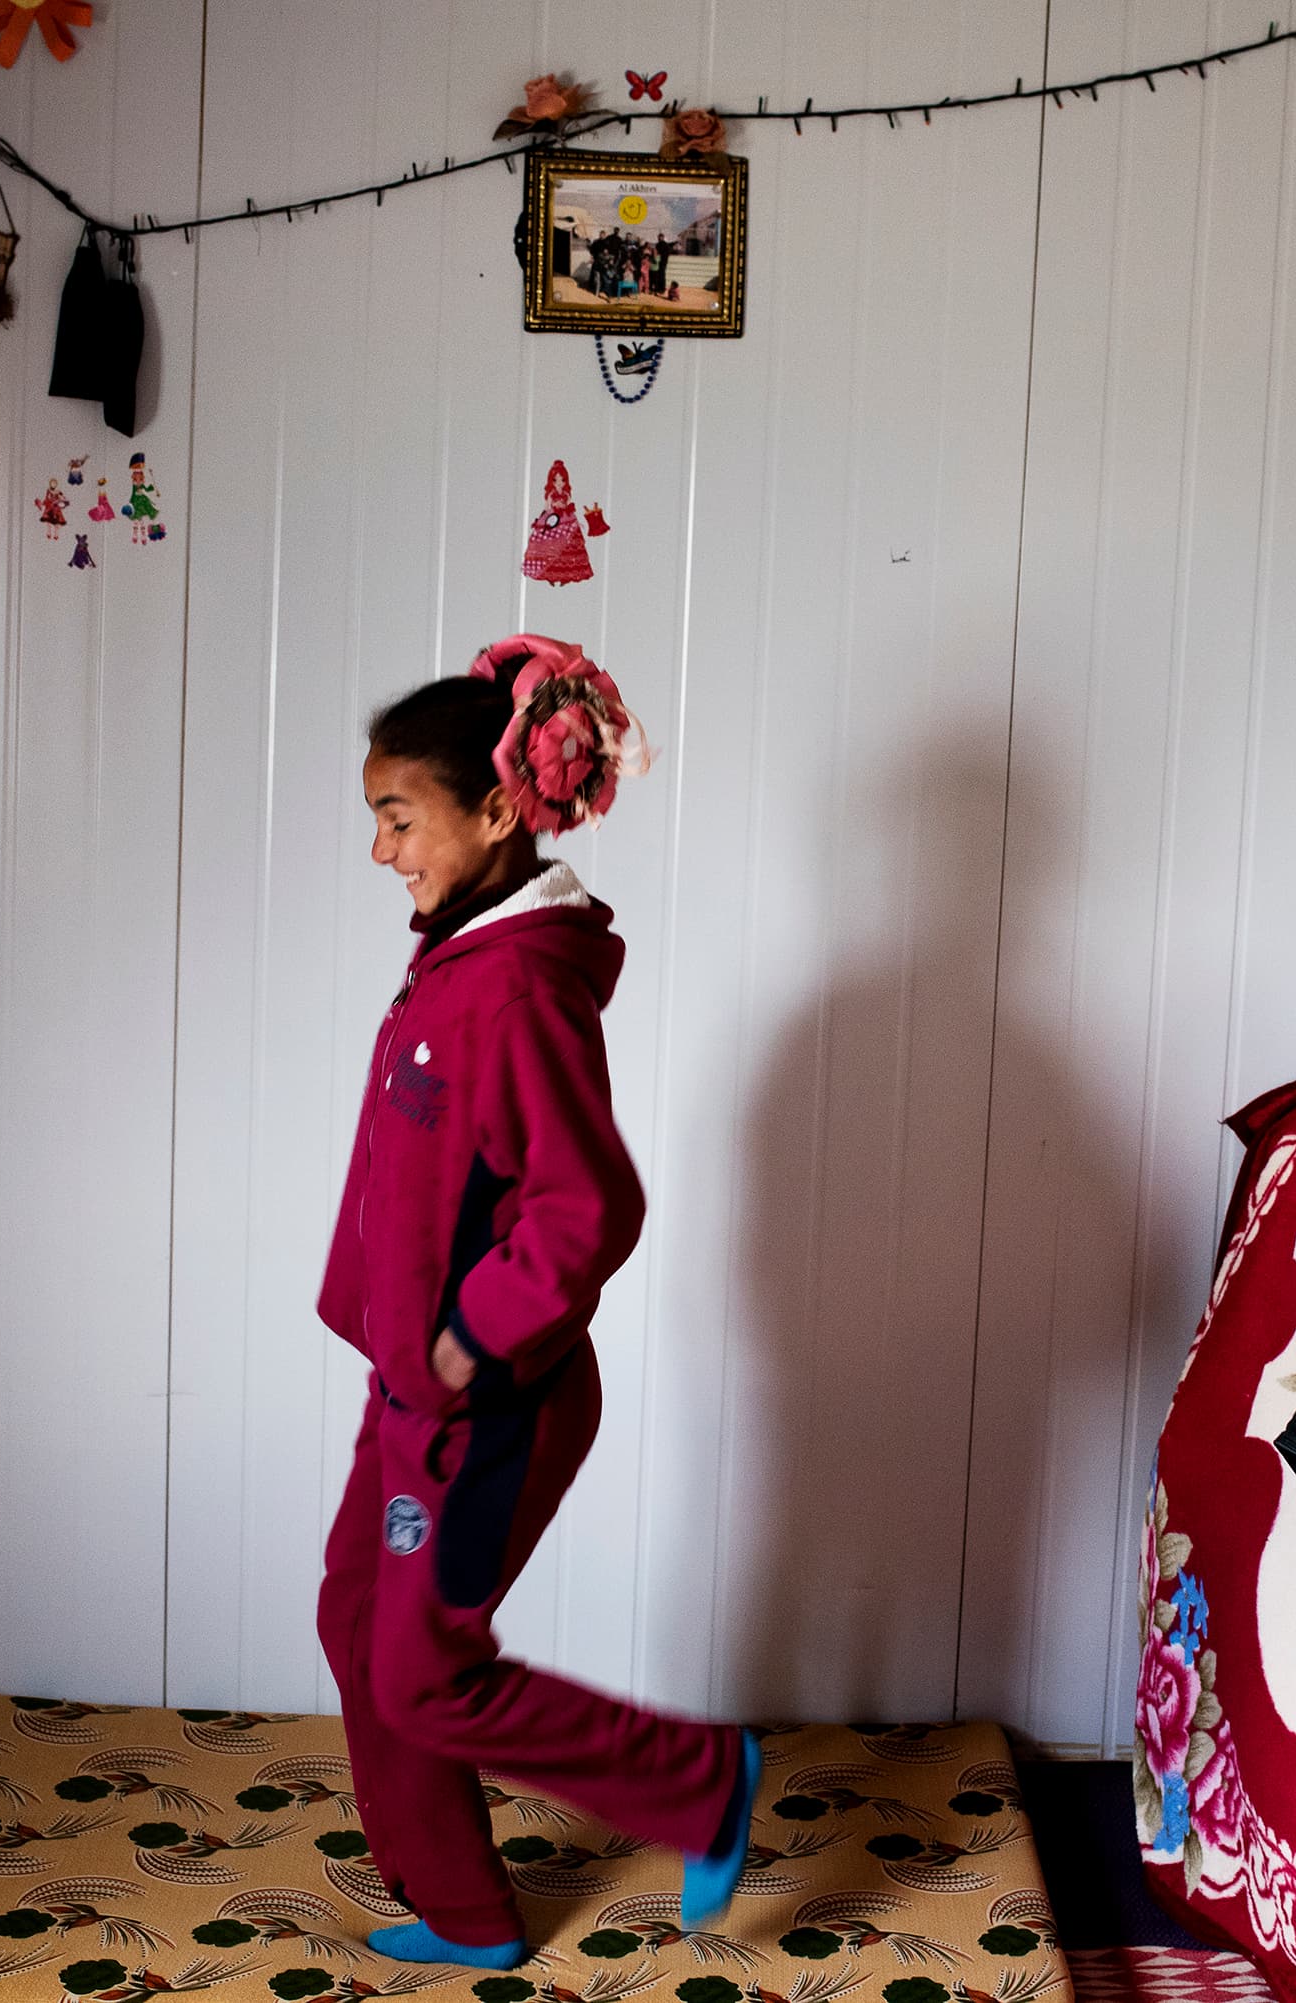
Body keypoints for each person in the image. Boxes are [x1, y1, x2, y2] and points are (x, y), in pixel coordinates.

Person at [318, 637, 761, 1970]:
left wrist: (467, 1340)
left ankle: (698, 1783)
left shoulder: (513, 988)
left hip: (485, 1401)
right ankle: (462, 1906)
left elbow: (587, 1206)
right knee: (355, 1618)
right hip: (413, 1383)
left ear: (497, 813)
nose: (382, 849)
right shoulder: (459, 959)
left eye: (400, 818)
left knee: (422, 1670)